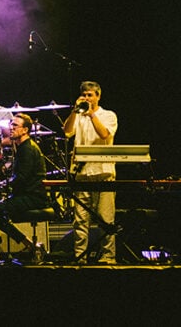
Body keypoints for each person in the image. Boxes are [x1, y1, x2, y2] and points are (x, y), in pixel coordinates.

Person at [63, 80, 118, 264]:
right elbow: (67, 132)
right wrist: (74, 110)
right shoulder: (78, 115)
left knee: (105, 218)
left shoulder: (108, 115)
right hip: (82, 173)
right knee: (80, 220)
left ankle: (108, 257)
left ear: (98, 96)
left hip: (103, 172)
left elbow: (104, 134)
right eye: (84, 95)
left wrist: (92, 113)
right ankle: (80, 256)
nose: (87, 98)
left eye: (90, 95)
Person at [0, 113, 49, 261]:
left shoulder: (27, 149)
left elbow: (21, 178)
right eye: (10, 125)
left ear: (25, 130)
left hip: (33, 197)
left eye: (15, 125)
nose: (10, 128)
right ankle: (30, 244)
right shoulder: (23, 148)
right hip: (28, 195)